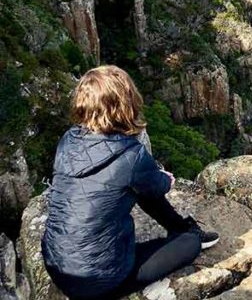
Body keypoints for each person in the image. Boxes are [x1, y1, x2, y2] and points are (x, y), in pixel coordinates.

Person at [42, 65, 219, 300]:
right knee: (190, 244)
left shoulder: (68, 140)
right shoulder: (131, 155)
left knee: (139, 189)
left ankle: (179, 226)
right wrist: (166, 179)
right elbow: (159, 187)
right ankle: (187, 232)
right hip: (97, 281)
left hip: (56, 264)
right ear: (125, 105)